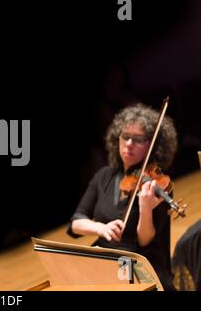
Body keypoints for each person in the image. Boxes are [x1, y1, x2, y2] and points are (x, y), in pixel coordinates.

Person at [68, 103, 178, 290]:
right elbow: (76, 223)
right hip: (108, 260)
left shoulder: (156, 185)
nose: (129, 144)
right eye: (125, 137)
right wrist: (99, 228)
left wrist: (145, 208)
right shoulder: (103, 177)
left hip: (141, 265)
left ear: (153, 145)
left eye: (138, 139)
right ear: (116, 139)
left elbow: (145, 241)